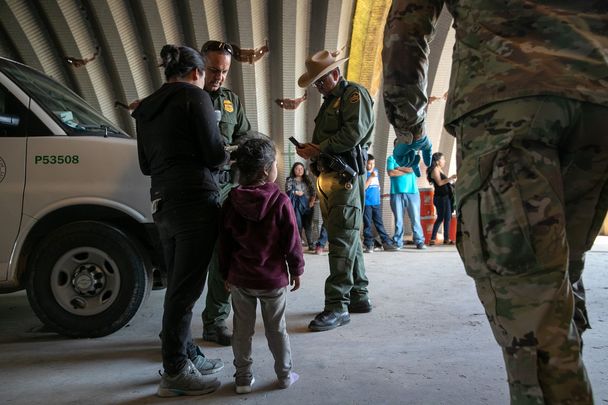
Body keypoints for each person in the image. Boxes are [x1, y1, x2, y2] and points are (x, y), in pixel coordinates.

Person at [383, 2, 608, 403]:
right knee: (559, 280)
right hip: (598, 101)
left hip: (508, 104)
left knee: (533, 321)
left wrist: (409, 126)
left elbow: (407, 28)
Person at [133, 45, 227, 397]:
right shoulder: (195, 98)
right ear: (196, 73)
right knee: (186, 292)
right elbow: (215, 155)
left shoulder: (145, 109)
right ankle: (174, 370)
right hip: (194, 203)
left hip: (163, 204)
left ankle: (186, 354)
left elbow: (145, 165)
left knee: (178, 286)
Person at [295, 50, 374, 331]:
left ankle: (337, 306)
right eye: (315, 83)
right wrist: (312, 150)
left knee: (340, 241)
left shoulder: (353, 95)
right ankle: (358, 295)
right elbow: (328, 139)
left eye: (321, 81)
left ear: (336, 74)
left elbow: (354, 133)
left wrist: (318, 149)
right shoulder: (330, 102)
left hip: (345, 178)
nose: (318, 87)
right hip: (330, 177)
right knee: (348, 237)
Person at [219, 136, 304, 394]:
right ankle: (284, 375)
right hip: (273, 280)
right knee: (277, 329)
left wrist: (226, 274)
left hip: (241, 280)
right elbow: (292, 240)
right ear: (267, 170)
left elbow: (224, 244)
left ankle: (243, 379)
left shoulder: (231, 202)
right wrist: (296, 269)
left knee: (241, 331)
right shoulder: (280, 201)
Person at [200, 40, 252, 347]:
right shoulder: (188, 97)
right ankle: (175, 330)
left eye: (224, 71)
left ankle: (215, 322)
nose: (219, 77)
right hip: (195, 190)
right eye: (213, 70)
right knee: (190, 262)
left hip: (225, 189)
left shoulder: (231, 101)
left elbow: (245, 137)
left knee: (223, 258)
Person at [387, 139, 427, 250]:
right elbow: (391, 173)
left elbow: (411, 170)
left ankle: (419, 241)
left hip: (412, 192)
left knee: (415, 218)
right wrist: (404, 170)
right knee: (398, 220)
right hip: (396, 193)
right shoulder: (391, 158)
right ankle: (398, 242)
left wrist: (398, 168)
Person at [363, 154, 397, 252]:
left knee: (379, 223)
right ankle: (369, 244)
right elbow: (364, 187)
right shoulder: (364, 174)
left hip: (376, 202)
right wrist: (370, 177)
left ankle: (386, 242)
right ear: (365, 164)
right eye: (369, 164)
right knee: (367, 224)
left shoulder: (376, 171)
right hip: (367, 203)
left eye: (373, 163)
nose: (371, 166)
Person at [426, 152, 456, 245]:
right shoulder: (435, 169)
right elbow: (439, 183)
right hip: (441, 197)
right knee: (443, 218)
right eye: (443, 159)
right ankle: (441, 238)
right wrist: (450, 178)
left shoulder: (439, 169)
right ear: (438, 161)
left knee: (445, 217)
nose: (444, 161)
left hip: (445, 196)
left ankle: (439, 238)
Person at [286, 162, 317, 251]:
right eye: (297, 169)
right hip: (296, 206)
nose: (299, 170)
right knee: (298, 225)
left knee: (308, 225)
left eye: (301, 169)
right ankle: (298, 245)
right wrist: (295, 192)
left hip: (308, 205)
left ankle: (311, 244)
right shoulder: (290, 180)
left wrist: (312, 201)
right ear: (293, 170)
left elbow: (313, 191)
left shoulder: (308, 179)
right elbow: (287, 191)